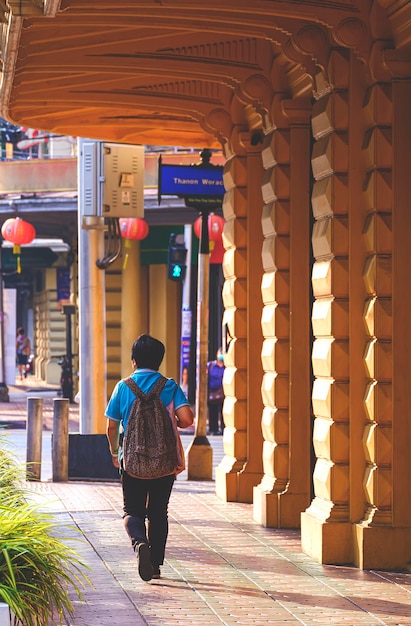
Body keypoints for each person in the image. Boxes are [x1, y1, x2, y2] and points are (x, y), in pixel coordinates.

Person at [105, 334, 194, 582]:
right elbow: (187, 419)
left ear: (134, 361)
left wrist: (115, 453)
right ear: (159, 361)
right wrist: (169, 421)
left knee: (132, 510)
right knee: (158, 512)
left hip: (132, 461)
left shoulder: (123, 387)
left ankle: (139, 543)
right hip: (164, 462)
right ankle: (155, 565)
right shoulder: (170, 386)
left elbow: (111, 426)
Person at [207, 348, 225, 435]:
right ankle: (213, 429)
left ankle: (223, 429)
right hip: (212, 393)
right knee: (212, 411)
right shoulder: (210, 365)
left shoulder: (227, 367)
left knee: (223, 412)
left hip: (223, 394)